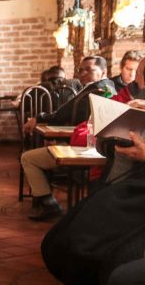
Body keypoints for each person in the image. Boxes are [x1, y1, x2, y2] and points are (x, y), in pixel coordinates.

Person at [21, 55, 117, 221]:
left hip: (86, 149)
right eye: (81, 70)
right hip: (94, 146)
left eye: (89, 70)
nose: (83, 73)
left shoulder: (99, 91)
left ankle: (48, 203)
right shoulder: (105, 88)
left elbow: (64, 115)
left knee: (28, 158)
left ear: (103, 72)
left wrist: (41, 118)